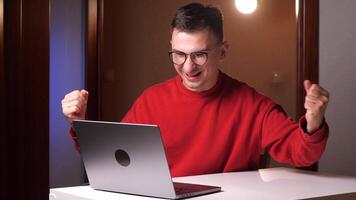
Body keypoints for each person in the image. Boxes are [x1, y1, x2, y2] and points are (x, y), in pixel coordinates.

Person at [61, 3, 330, 177]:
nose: (188, 67)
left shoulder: (253, 105)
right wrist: (79, 122)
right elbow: (115, 160)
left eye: (199, 55)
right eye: (179, 54)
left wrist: (314, 122)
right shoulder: (151, 100)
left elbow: (301, 153)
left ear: (223, 51)